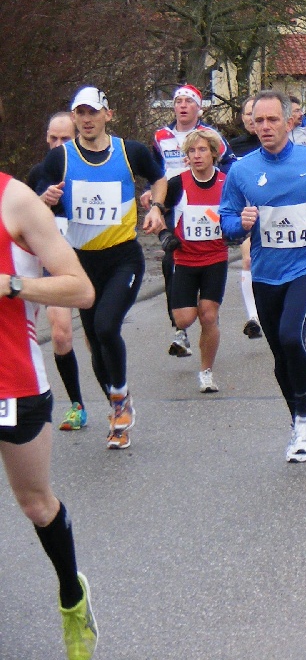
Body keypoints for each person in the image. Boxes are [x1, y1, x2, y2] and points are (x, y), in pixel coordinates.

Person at [0, 159, 99, 659]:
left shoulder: (15, 200)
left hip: (12, 384)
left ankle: (72, 597)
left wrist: (13, 285)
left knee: (36, 505)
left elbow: (80, 289)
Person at [219, 91, 306, 463]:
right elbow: (226, 220)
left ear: (290, 120)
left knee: (292, 336)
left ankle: (305, 419)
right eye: (258, 120)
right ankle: (297, 421)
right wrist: (240, 224)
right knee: (279, 351)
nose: (264, 126)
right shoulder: (241, 170)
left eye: (272, 119)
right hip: (266, 272)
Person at [36, 86, 168, 450]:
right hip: (81, 263)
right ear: (74, 117)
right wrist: (45, 198)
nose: (87, 119)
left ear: (108, 115)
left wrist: (157, 207)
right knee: (95, 341)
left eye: (93, 112)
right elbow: (35, 198)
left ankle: (120, 398)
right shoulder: (60, 158)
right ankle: (117, 411)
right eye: (80, 113)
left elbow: (159, 178)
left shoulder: (130, 151)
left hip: (123, 257)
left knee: (107, 326)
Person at [152, 84, 230, 357]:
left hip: (206, 200)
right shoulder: (161, 136)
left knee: (207, 304)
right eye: (178, 101)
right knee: (169, 262)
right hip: (174, 200)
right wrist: (151, 195)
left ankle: (207, 310)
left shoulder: (212, 136)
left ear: (199, 108)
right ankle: (180, 328)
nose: (183, 106)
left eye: (188, 101)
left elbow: (229, 164)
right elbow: (153, 171)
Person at [157, 128, 231, 393]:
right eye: (191, 151)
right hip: (185, 259)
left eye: (202, 150)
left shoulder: (226, 182)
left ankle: (206, 372)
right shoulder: (177, 183)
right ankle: (196, 312)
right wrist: (164, 234)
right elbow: (156, 212)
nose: (197, 156)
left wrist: (237, 230)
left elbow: (238, 213)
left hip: (215, 257)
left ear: (213, 153)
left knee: (208, 316)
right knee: (184, 319)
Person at [28, 113, 88, 432]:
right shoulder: (40, 173)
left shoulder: (92, 169)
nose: (57, 144)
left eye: (65, 139)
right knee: (61, 333)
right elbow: (23, 218)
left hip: (92, 257)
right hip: (56, 264)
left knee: (97, 336)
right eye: (53, 138)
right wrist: (43, 201)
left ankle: (116, 394)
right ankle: (77, 405)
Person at [228, 98, 263, 340]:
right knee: (248, 260)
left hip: (273, 213)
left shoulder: (274, 144)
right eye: (248, 114)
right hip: (246, 214)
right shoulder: (232, 147)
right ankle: (253, 318)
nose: (252, 119)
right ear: (242, 117)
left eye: (256, 114)